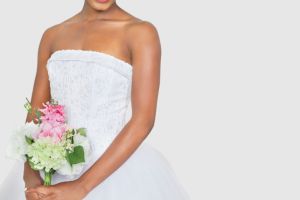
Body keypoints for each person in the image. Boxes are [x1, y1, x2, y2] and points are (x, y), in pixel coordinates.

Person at [0, 0, 190, 199]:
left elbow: (143, 120)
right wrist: (30, 175)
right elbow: (36, 112)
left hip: (113, 172)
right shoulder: (52, 36)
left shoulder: (140, 33)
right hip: (53, 167)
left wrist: (81, 187)